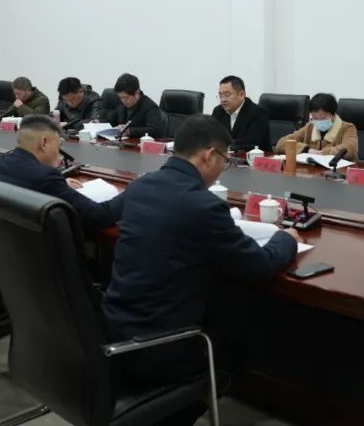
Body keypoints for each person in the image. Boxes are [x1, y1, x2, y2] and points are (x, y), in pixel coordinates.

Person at [104, 116, 298, 417]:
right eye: (225, 161)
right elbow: (260, 265)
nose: (222, 169)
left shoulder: (141, 186)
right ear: (209, 155)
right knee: (239, 337)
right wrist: (286, 239)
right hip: (161, 351)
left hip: (112, 332)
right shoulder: (203, 206)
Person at [0, 115, 124, 313]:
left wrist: (60, 184)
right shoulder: (44, 178)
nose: (59, 153)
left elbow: (27, 181)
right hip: (8, 291)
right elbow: (97, 216)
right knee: (92, 269)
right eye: (58, 145)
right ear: (44, 143)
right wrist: (134, 192)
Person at [274, 92, 358, 160]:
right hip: (313, 171)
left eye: (322, 118)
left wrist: (322, 153)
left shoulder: (347, 128)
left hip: (339, 172)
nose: (318, 121)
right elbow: (281, 145)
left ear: (333, 114)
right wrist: (307, 150)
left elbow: (350, 150)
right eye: (315, 118)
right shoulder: (310, 127)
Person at [211, 75, 271, 151]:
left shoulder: (258, 113)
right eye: (220, 95)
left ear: (241, 94)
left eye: (227, 95)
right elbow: (211, 136)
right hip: (225, 156)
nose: (223, 100)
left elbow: (253, 142)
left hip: (253, 157)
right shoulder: (218, 111)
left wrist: (226, 145)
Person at [105, 73, 167, 139]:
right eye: (120, 97)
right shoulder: (122, 104)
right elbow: (110, 120)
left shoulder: (150, 107)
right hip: (123, 142)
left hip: (140, 144)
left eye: (126, 97)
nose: (123, 100)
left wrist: (130, 131)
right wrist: (99, 123)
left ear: (137, 93)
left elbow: (154, 130)